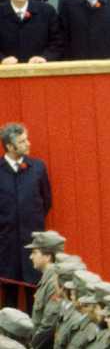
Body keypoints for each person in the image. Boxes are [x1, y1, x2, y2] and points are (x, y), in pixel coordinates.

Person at [0, 125, 49, 313]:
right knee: (9, 297)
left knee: (34, 296)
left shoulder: (37, 167)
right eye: (22, 141)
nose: (28, 143)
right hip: (6, 247)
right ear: (10, 147)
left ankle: (34, 340)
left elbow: (46, 201)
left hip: (33, 246)